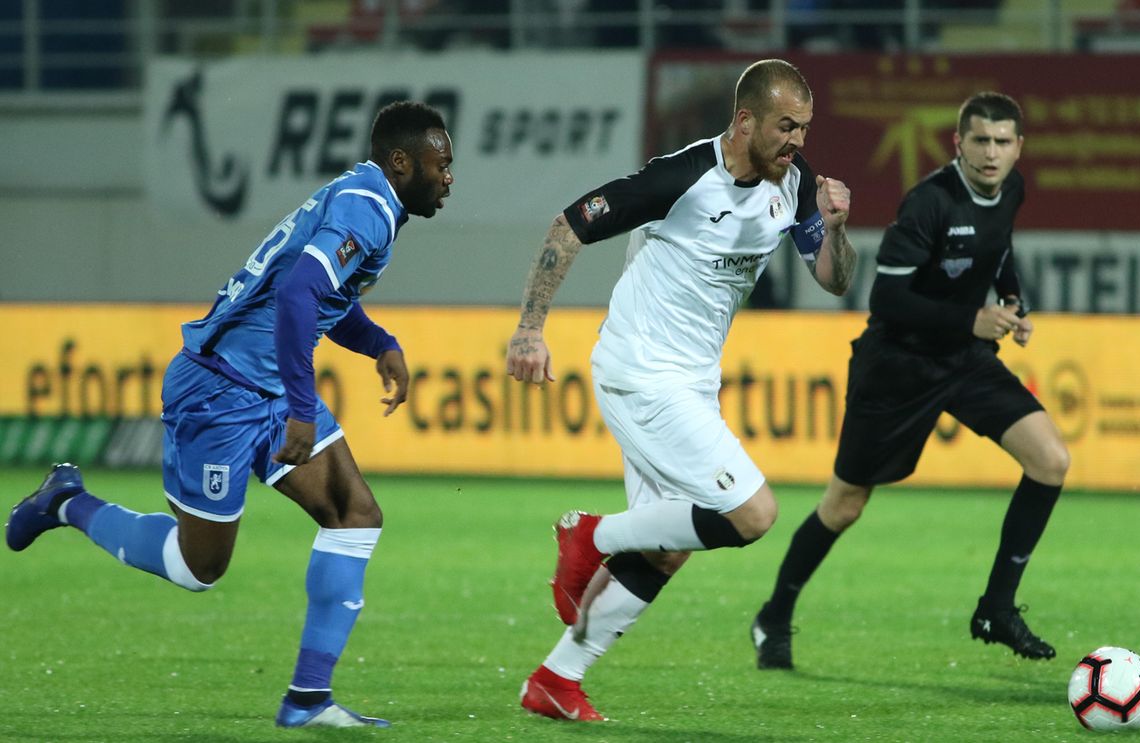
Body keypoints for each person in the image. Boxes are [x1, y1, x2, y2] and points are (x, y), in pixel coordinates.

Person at [5, 101, 455, 728]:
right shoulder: (369, 208)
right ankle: (65, 502)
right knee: (199, 568)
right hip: (217, 391)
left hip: (264, 386)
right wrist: (303, 407)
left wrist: (379, 343)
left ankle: (307, 699)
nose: (449, 177)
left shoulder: (365, 198)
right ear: (402, 161)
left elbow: (325, 296)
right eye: (441, 163)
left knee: (355, 514)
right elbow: (300, 293)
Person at [505, 58, 857, 721]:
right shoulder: (682, 177)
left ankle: (557, 677)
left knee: (668, 546)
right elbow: (571, 223)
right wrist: (529, 328)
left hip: (691, 384)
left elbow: (834, 280)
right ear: (745, 119)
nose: (798, 143)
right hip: (641, 371)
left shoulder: (796, 181)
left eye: (806, 129)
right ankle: (590, 534)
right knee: (752, 513)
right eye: (787, 127)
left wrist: (836, 227)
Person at [750, 91, 1069, 672]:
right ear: (959, 143)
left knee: (1051, 460)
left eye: (1003, 142)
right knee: (844, 505)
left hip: (964, 361)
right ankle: (773, 616)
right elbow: (887, 298)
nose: (992, 153)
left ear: (1019, 147)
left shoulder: (1012, 189)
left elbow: (999, 250)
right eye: (980, 140)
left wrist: (1012, 298)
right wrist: (970, 319)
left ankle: (996, 608)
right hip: (898, 366)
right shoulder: (929, 203)